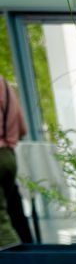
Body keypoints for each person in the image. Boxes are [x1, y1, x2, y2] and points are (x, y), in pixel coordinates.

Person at [0, 75, 32, 248]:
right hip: (8, 156)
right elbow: (22, 129)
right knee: (12, 212)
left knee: (2, 226)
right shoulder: (4, 84)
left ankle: (14, 261)